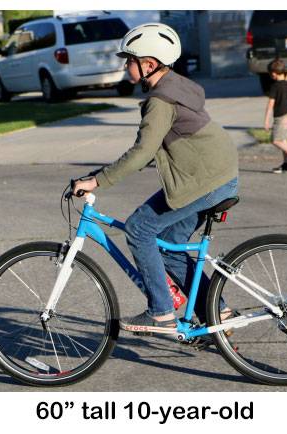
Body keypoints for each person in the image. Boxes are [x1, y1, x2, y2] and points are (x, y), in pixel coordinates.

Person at [72, 23, 239, 335]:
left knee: (139, 229)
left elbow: (142, 152)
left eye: (129, 60)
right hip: (216, 175)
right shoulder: (174, 85)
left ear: (148, 64)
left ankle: (161, 313)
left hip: (204, 181)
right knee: (168, 246)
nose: (125, 65)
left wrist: (97, 180)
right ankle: (218, 312)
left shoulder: (160, 101)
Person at [263, 58, 287, 173]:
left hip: (282, 116)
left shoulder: (275, 87)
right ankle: (286, 165)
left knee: (275, 140)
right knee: (283, 140)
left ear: (274, 74)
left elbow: (270, 104)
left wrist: (266, 121)